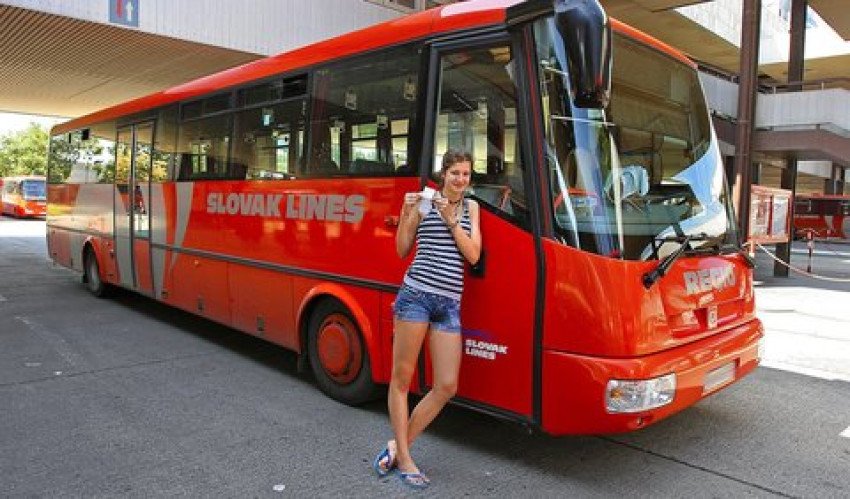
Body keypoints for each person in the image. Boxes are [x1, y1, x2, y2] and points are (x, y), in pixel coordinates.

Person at [372, 150, 482, 490]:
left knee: (447, 385)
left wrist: (451, 219)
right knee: (401, 380)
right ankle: (405, 458)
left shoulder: (470, 208)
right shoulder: (424, 201)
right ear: (443, 174)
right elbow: (402, 249)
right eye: (455, 173)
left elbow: (473, 255)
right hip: (415, 297)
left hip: (449, 304)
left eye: (466, 174)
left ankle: (396, 445)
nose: (461, 180)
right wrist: (407, 213)